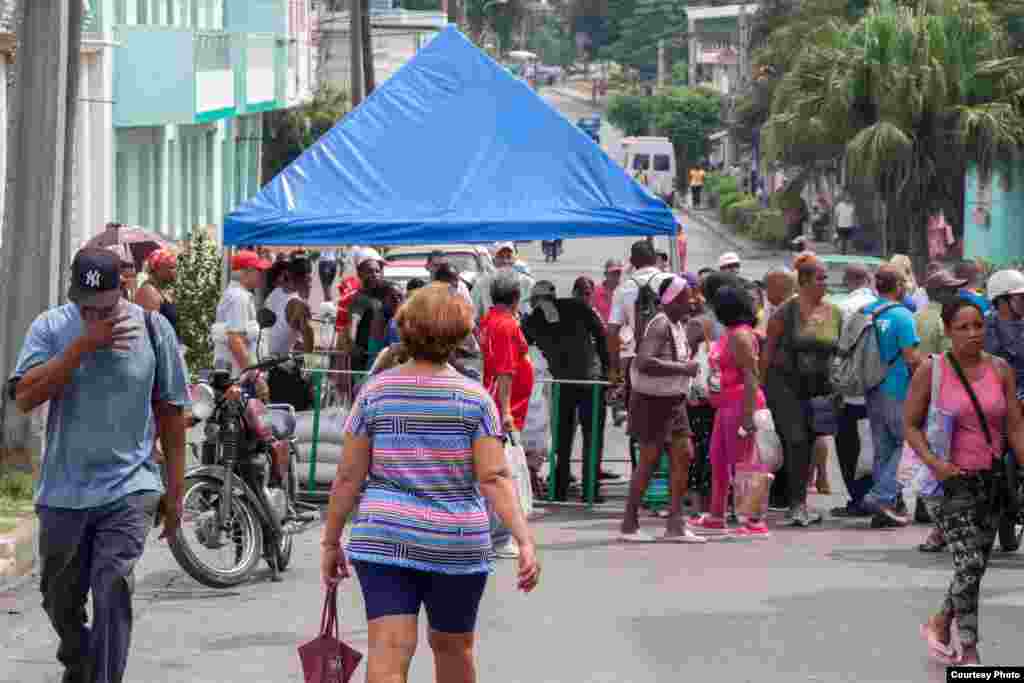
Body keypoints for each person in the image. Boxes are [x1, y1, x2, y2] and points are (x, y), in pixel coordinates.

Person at [320, 284, 540, 683]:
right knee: (455, 649)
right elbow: (493, 476)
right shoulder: (474, 399)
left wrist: (331, 540)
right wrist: (524, 540)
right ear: (460, 335)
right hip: (456, 542)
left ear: (406, 327)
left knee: (387, 651)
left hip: (385, 536)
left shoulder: (375, 393)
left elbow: (349, 476)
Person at [8, 247, 189, 683]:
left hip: (130, 486)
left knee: (112, 585)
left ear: (122, 290)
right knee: (58, 598)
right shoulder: (51, 327)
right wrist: (82, 347)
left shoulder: (153, 328)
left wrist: (175, 492)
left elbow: (171, 415)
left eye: (103, 307)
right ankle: (79, 660)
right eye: (84, 306)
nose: (93, 313)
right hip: (63, 490)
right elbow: (25, 397)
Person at [905, 298, 1024, 666]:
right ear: (947, 330)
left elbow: (1016, 426)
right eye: (963, 327)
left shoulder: (1000, 369)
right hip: (949, 484)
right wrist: (934, 462)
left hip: (990, 482)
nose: (973, 334)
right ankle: (969, 650)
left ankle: (941, 621)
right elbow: (910, 425)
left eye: (978, 326)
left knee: (971, 567)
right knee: (970, 563)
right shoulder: (933, 370)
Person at [619, 274, 704, 543]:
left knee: (684, 454)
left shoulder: (678, 325)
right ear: (672, 300)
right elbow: (644, 362)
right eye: (686, 298)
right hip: (652, 402)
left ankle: (675, 524)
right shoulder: (660, 324)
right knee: (648, 461)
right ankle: (629, 525)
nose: (691, 302)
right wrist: (684, 369)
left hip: (674, 403)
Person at [759, 253, 842, 526]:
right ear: (804, 282)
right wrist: (760, 389)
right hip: (783, 383)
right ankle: (796, 506)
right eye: (820, 278)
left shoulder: (835, 312)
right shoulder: (786, 311)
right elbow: (768, 352)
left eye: (825, 278)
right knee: (795, 439)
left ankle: (800, 502)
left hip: (818, 388)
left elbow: (839, 351)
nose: (825, 283)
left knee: (808, 441)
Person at [689, 284, 769, 537]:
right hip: (726, 405)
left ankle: (754, 521)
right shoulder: (731, 333)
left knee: (745, 463)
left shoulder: (740, 335)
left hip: (740, 404)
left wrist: (747, 416)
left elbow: (751, 376)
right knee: (719, 459)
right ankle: (716, 514)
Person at [522, 281, 610, 502]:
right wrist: (607, 370)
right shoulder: (577, 307)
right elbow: (601, 335)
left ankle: (561, 488)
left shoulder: (533, 320)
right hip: (589, 381)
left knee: (564, 438)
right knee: (590, 437)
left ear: (535, 300)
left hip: (568, 382)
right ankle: (589, 489)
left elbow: (522, 346)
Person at [862, 264, 922, 526]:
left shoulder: (866, 311)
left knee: (883, 449)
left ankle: (884, 508)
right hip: (898, 389)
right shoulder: (903, 315)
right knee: (910, 446)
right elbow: (911, 357)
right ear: (898, 287)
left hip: (871, 387)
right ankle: (882, 496)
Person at [831, 264, 878, 518]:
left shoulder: (843, 308)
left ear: (848, 280)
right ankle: (879, 497)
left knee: (850, 447)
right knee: (876, 446)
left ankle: (858, 498)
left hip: (851, 391)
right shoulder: (884, 307)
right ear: (868, 280)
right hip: (879, 390)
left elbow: (838, 350)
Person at [213, 250, 272, 401]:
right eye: (258, 270)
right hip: (238, 381)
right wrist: (256, 379)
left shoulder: (236, 295)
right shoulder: (239, 298)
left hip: (236, 378)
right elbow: (235, 340)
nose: (261, 274)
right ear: (247, 272)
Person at [263, 254, 315, 409]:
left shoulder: (276, 292)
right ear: (306, 278)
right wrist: (311, 371)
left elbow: (279, 328)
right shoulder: (298, 304)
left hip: (263, 364)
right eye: (310, 279)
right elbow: (309, 336)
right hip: (278, 371)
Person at [472, 242, 534, 320]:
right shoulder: (482, 283)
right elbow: (473, 316)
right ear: (493, 260)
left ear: (515, 259)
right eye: (501, 257)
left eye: (509, 257)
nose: (505, 261)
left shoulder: (527, 283)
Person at [135, 248, 179, 336]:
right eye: (171, 267)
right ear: (157, 269)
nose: (175, 271)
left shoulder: (164, 290)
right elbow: (148, 331)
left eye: (175, 267)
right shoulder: (148, 292)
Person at [593, 259, 624, 325]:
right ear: (605, 274)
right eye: (612, 273)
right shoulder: (595, 292)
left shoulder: (626, 292)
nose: (615, 275)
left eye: (618, 273)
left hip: (621, 333)